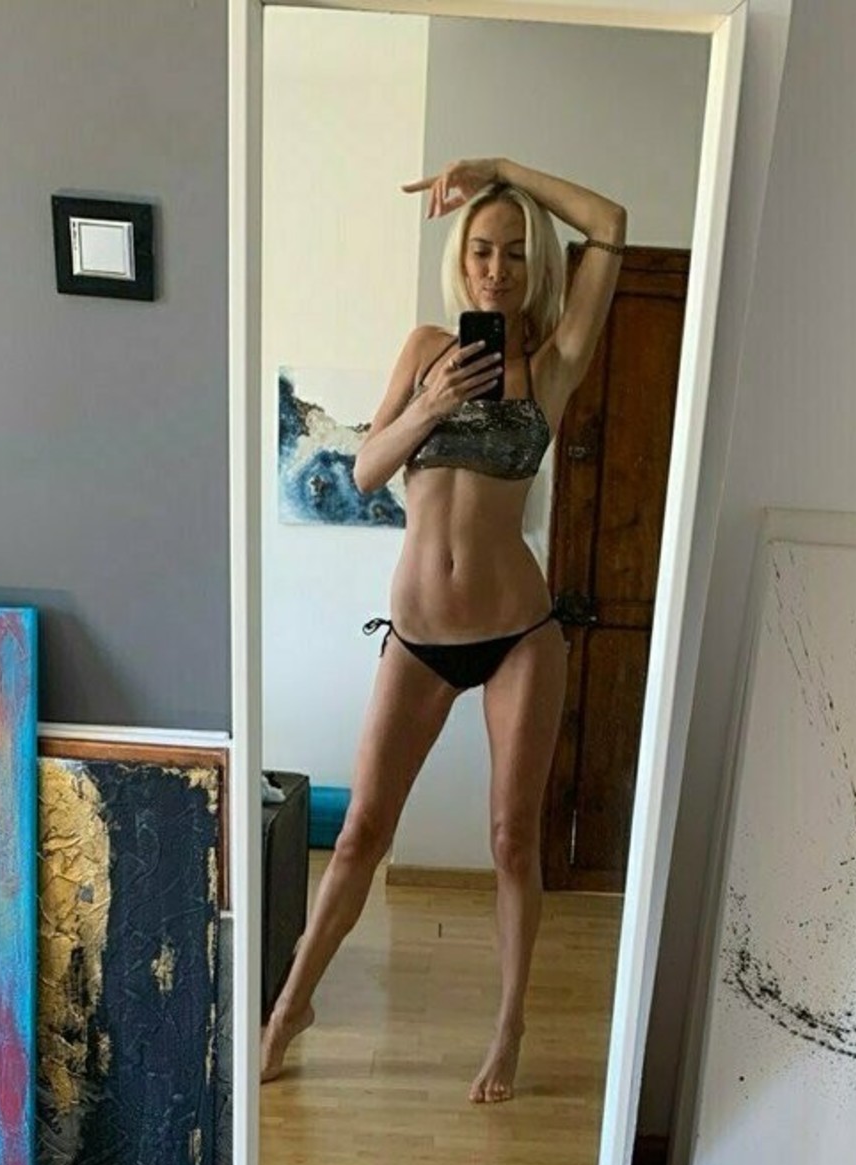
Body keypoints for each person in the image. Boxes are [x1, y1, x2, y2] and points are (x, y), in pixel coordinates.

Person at [261, 155, 626, 1101]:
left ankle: (508, 1027)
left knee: (512, 840)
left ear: (534, 265)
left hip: (519, 634)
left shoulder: (551, 363)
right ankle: (291, 1005)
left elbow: (611, 223)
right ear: (459, 260)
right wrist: (429, 405)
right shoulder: (427, 348)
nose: (496, 269)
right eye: (481, 251)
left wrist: (502, 171)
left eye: (514, 252)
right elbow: (367, 471)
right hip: (420, 638)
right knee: (361, 834)